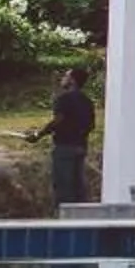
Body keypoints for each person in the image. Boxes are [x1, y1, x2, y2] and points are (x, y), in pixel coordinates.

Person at [26, 66, 94, 205]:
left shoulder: (64, 99)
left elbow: (58, 121)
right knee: (78, 187)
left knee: (64, 187)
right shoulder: (87, 101)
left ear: (73, 81)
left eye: (66, 76)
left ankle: (65, 220)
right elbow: (91, 125)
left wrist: (38, 134)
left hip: (64, 147)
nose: (63, 79)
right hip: (81, 147)